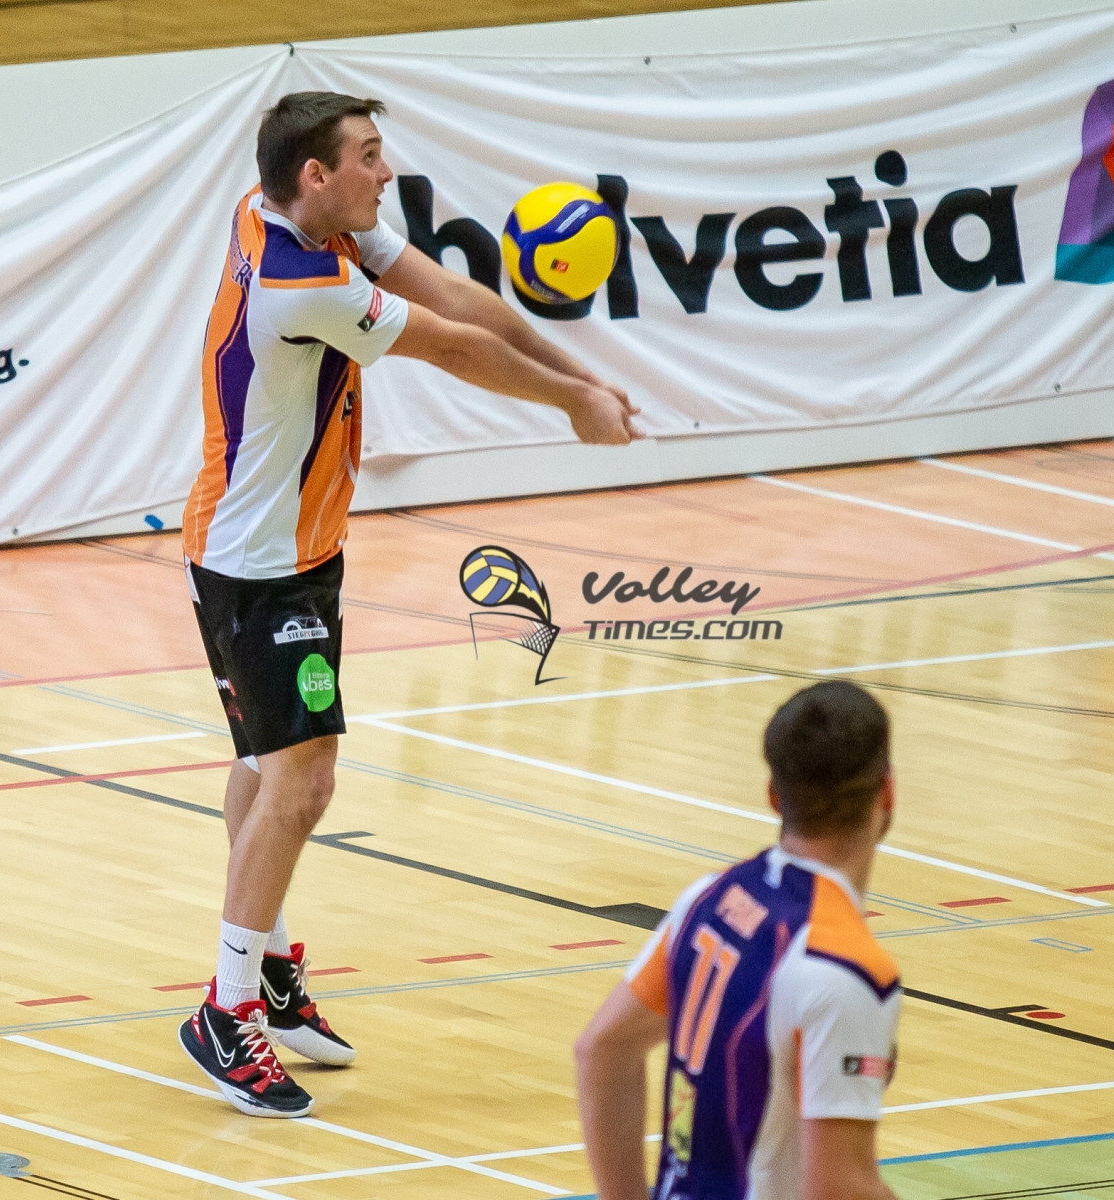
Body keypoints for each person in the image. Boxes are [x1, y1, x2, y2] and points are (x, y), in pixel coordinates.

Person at [177, 91, 640, 1118]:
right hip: (259, 566)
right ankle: (227, 1009)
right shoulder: (300, 281)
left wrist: (583, 378)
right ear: (317, 174)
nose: (386, 174)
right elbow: (449, 345)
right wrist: (570, 403)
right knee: (305, 778)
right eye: (370, 156)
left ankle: (267, 974)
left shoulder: (285, 216)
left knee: (265, 767)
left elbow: (458, 297)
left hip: (282, 546)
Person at [575, 681, 903, 1199]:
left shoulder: (709, 899)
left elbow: (603, 1050)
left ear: (774, 794)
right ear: (887, 792)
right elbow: (840, 1187)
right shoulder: (845, 967)